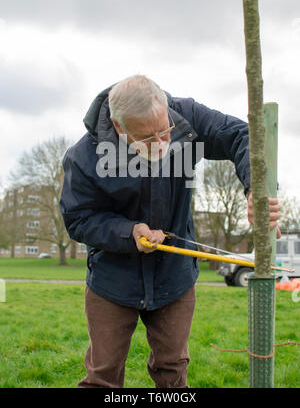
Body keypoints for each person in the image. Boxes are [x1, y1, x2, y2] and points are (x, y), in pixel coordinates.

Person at [59, 74, 280, 388]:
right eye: (149, 139)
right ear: (120, 128)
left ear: (165, 108)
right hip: (112, 281)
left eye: (164, 131)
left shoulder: (185, 116)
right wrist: (129, 231)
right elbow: (78, 218)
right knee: (102, 377)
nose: (162, 144)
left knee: (172, 373)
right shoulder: (84, 157)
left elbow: (243, 136)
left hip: (174, 279)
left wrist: (255, 191)